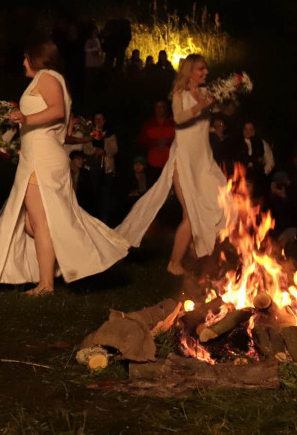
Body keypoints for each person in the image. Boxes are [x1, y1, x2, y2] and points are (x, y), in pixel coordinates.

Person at [0, 40, 129, 295]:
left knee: (40, 222)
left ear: (37, 58)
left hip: (42, 160)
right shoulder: (50, 78)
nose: (23, 63)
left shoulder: (47, 77)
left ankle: (46, 284)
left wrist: (26, 118)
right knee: (34, 222)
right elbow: (57, 126)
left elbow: (57, 111)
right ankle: (59, 265)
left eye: (26, 57)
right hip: (37, 156)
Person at [115, 54, 229, 275]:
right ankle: (174, 263)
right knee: (190, 214)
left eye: (206, 69)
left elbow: (212, 119)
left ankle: (196, 250)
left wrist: (228, 98)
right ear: (189, 71)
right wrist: (200, 107)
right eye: (201, 69)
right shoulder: (180, 95)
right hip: (184, 162)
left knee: (222, 204)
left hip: (204, 162)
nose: (206, 73)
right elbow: (179, 118)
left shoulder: (206, 93)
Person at [83, 112, 118, 221]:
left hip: (106, 169)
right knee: (94, 194)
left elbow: (114, 149)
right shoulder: (89, 134)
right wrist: (94, 150)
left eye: (100, 119)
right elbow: (85, 149)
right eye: (96, 119)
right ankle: (95, 218)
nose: (98, 121)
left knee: (106, 195)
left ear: (104, 121)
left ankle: (105, 218)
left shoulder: (110, 134)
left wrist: (104, 151)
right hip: (93, 168)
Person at [138, 99, 175, 182]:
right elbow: (141, 142)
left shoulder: (173, 122)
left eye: (161, 107)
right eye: (157, 107)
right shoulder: (148, 124)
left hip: (170, 164)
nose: (159, 109)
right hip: (153, 166)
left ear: (165, 108)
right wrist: (155, 143)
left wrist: (167, 142)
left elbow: (180, 141)